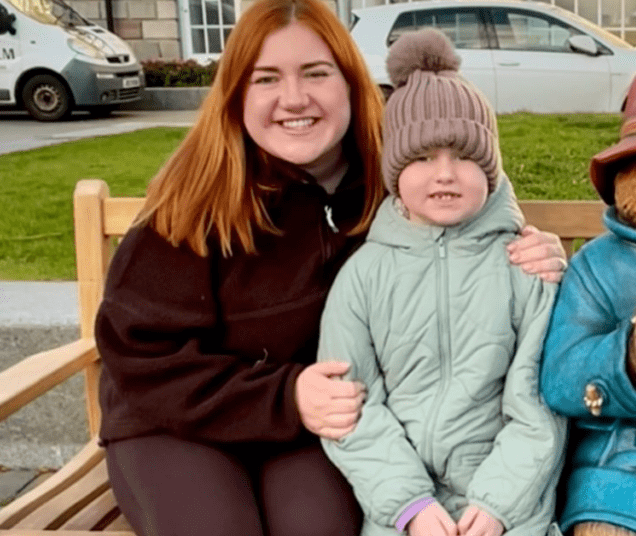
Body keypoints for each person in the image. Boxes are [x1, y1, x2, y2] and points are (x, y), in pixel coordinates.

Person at [93, 1, 567, 534]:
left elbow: (468, 181)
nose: (294, 99)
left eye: (316, 74)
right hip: (178, 423)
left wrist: (528, 244)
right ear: (236, 95)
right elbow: (138, 356)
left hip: (317, 428)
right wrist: (285, 394)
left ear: (349, 81)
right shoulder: (197, 195)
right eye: (266, 78)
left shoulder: (392, 169)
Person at [317, 29, 567, 536]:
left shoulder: (524, 267)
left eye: (465, 156)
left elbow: (540, 404)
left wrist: (499, 505)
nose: (446, 173)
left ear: (491, 171)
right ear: (395, 172)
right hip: (400, 510)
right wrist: (406, 504)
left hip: (510, 509)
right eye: (423, 158)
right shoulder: (363, 277)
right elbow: (352, 406)